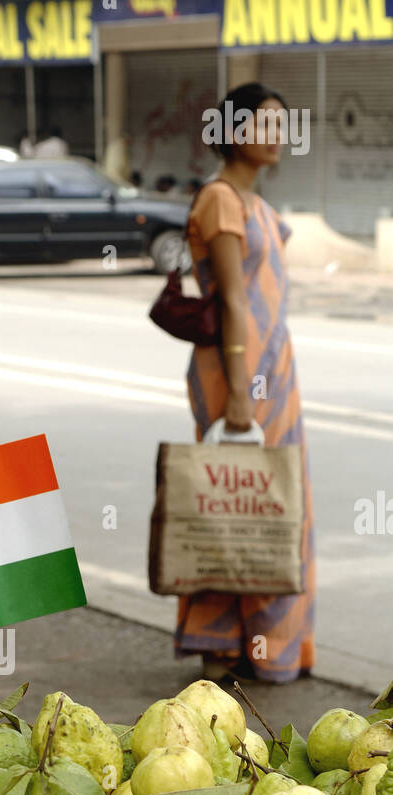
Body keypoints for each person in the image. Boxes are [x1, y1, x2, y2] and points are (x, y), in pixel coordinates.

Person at [175, 82, 315, 684]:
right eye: (263, 123)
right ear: (233, 132)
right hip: (234, 372)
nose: (276, 135)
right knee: (225, 502)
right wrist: (238, 389)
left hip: (276, 368)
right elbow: (231, 297)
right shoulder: (221, 199)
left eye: (281, 124)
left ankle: (274, 644)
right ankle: (222, 645)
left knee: (276, 504)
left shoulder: (263, 210)